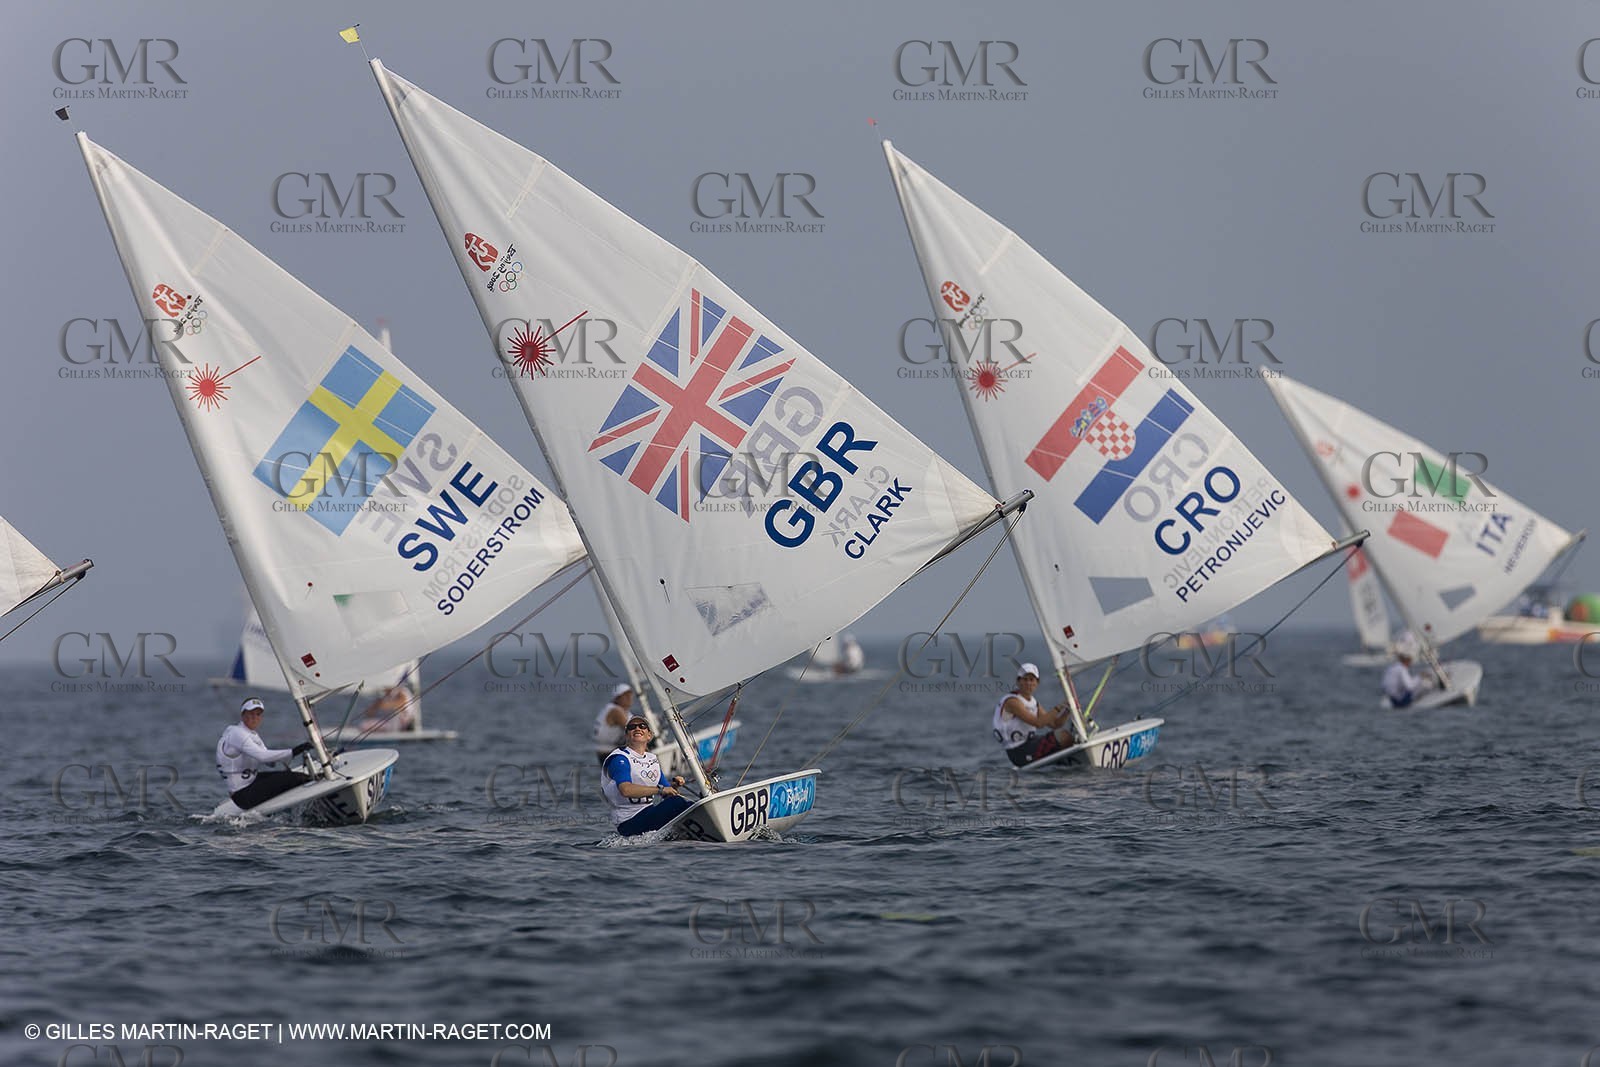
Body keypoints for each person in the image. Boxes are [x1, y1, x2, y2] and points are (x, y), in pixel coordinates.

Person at [601, 714, 691, 836]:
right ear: (626, 735)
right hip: (629, 823)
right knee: (677, 804)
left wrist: (674, 786)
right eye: (632, 727)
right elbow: (625, 790)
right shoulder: (619, 758)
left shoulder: (652, 759)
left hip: (648, 813)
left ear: (649, 735)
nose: (637, 728)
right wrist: (661, 790)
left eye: (642, 726)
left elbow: (666, 793)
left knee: (688, 803)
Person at [216, 697, 313, 809]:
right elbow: (262, 756)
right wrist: (294, 751)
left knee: (296, 777)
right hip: (243, 795)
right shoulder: (237, 734)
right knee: (297, 779)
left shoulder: (250, 734)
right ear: (243, 715)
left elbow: (268, 760)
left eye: (258, 714)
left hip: (250, 784)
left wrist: (281, 760)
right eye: (251, 714)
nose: (255, 718)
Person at [993, 663, 1081, 767]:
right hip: (1018, 752)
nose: (1028, 683)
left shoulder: (1033, 702)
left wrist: (1068, 710)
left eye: (1032, 680)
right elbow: (1038, 723)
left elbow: (1055, 724)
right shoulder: (1012, 702)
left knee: (1068, 737)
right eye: (1025, 679)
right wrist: (1059, 707)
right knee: (1063, 736)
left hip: (1030, 744)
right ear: (1018, 681)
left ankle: (1063, 763)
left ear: (1037, 683)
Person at [1382, 632, 1437, 709]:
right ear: (1406, 660)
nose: (1411, 662)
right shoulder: (1402, 669)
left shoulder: (1393, 667)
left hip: (1393, 700)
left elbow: (1385, 685)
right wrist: (1420, 677)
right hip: (1401, 702)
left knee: (1418, 680)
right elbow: (1410, 686)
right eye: (1410, 660)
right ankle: (1435, 693)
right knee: (1425, 682)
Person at [591, 683, 635, 764]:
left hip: (612, 751)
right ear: (617, 698)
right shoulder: (615, 711)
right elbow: (631, 729)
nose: (629, 698)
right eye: (625, 696)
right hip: (609, 754)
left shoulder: (622, 710)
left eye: (630, 695)